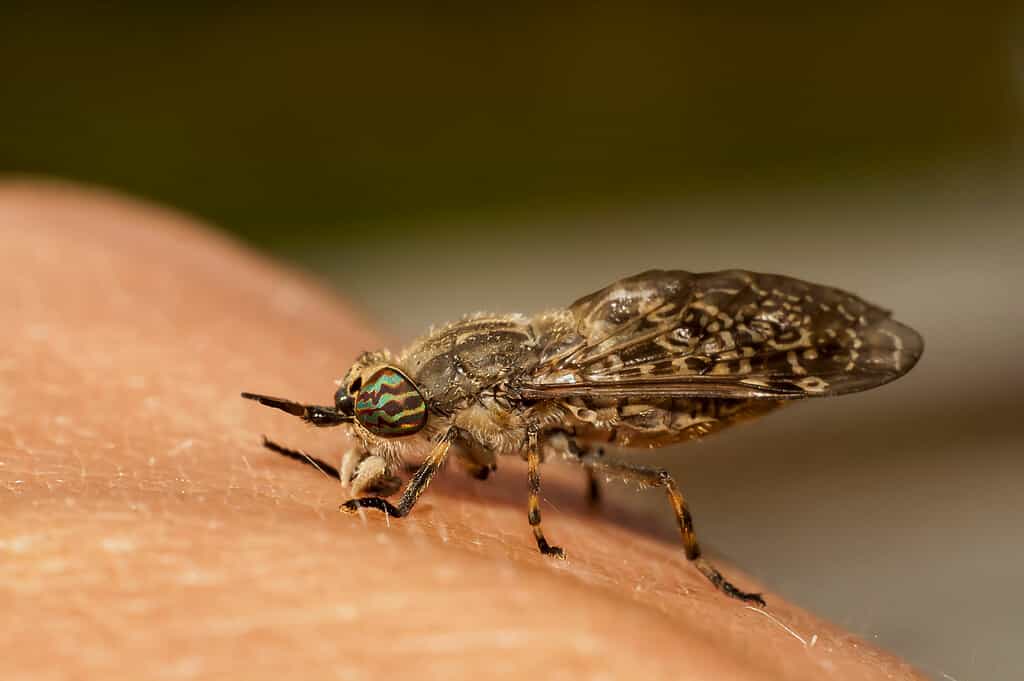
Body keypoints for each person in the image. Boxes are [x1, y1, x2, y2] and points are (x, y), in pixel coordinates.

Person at [0, 180, 925, 680]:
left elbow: (502, 441)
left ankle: (700, 568)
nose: (385, 415)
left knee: (656, 480)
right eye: (376, 400)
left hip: (624, 385)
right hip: (565, 361)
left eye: (385, 405)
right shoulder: (444, 396)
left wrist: (528, 523)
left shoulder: (478, 410)